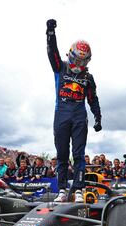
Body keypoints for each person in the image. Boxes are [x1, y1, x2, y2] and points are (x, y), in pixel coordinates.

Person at [46, 18, 102, 203]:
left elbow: (93, 99)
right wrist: (50, 33)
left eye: (82, 60)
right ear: (70, 55)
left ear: (87, 61)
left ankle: (78, 188)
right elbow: (52, 52)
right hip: (61, 113)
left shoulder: (88, 77)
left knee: (78, 154)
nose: (78, 63)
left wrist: (98, 117)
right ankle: (62, 189)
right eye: (76, 58)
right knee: (62, 154)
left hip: (79, 115)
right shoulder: (60, 67)